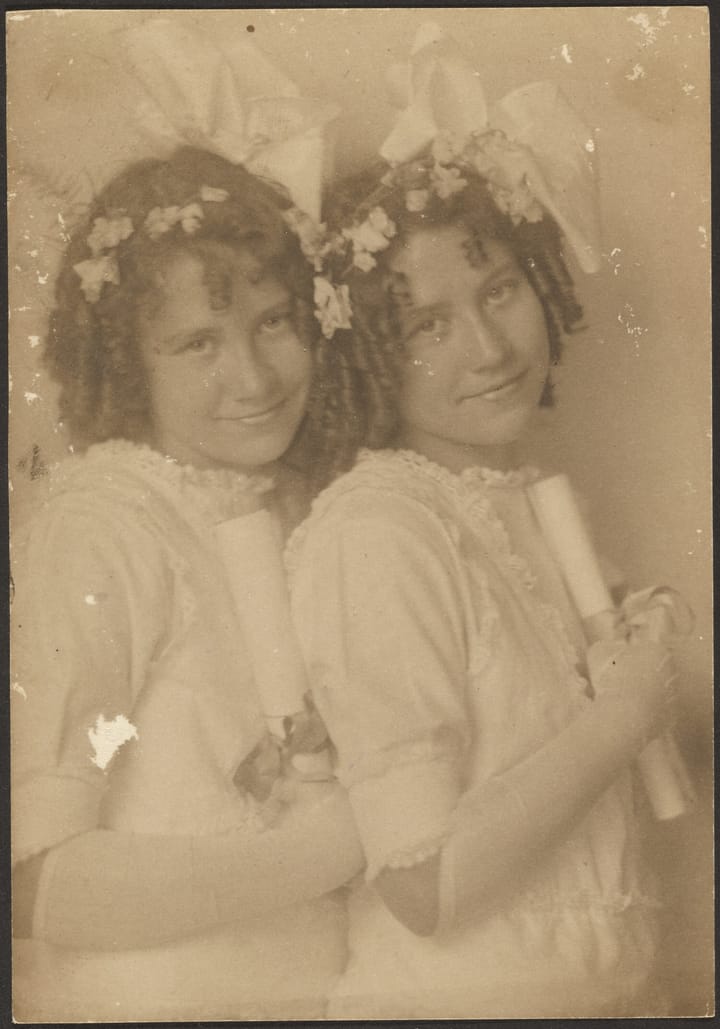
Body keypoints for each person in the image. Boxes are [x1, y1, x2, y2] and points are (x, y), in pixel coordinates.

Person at [286, 28, 681, 1019]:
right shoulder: (378, 531)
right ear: (370, 354)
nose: (491, 346)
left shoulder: (530, 504)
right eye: (427, 324)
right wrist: (621, 718)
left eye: (499, 290)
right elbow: (423, 886)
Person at [10, 142, 365, 1022]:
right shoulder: (105, 522)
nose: (251, 378)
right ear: (129, 363)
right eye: (197, 341)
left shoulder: (306, 504)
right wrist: (326, 850)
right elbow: (35, 878)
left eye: (274, 322)